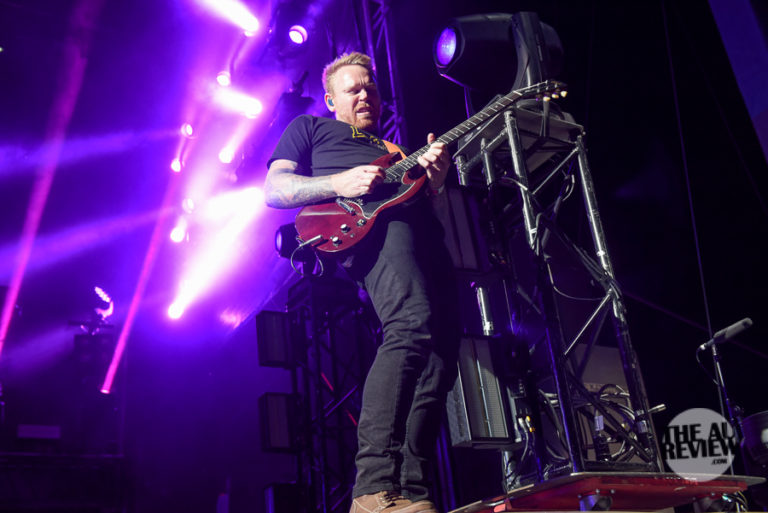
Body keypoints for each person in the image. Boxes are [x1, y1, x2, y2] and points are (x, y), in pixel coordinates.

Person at [264, 52, 460, 513]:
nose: (365, 95)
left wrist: (436, 182)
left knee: (440, 355)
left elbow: (435, 208)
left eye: (370, 87)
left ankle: (410, 489)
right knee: (408, 325)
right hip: (369, 228)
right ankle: (373, 487)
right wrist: (341, 182)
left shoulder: (396, 150)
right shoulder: (311, 128)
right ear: (331, 100)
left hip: (423, 237)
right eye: (353, 89)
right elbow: (275, 190)